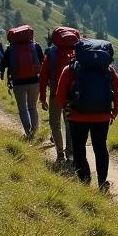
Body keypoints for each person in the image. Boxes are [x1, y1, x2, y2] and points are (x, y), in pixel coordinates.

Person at [54, 37, 118, 192]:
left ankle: (84, 181)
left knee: (79, 148)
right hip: (102, 115)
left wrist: (67, 107)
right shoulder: (108, 70)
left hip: (77, 115)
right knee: (100, 147)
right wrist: (114, 109)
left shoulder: (71, 69)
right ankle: (102, 183)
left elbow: (59, 95)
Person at [40, 26, 81, 163]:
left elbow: (44, 76)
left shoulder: (51, 53)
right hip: (73, 95)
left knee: (55, 123)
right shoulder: (78, 53)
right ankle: (70, 155)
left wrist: (42, 97)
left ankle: (60, 154)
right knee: (69, 124)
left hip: (55, 94)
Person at [3, 24, 44, 140]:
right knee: (32, 107)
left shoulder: (11, 48)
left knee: (22, 108)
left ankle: (28, 133)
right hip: (34, 81)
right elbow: (43, 61)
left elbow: (4, 63)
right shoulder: (35, 46)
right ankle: (34, 131)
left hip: (18, 82)